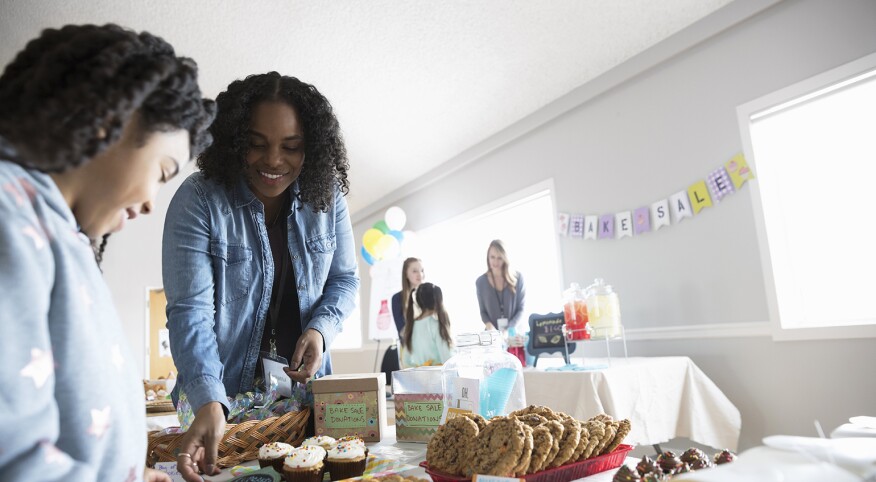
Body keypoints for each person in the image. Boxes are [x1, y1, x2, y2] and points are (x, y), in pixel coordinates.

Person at [0, 24, 214, 481]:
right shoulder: (9, 212)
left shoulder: (58, 231)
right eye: (162, 170)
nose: (152, 202)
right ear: (109, 119)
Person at [162, 72, 359, 480]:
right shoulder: (198, 200)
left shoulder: (328, 198)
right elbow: (190, 313)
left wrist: (321, 330)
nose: (273, 160)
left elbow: (345, 280)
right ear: (233, 142)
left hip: (302, 402)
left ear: (312, 149)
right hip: (216, 399)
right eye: (255, 144)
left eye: (292, 147)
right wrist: (208, 400)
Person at [475, 240, 527, 332]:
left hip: (515, 334)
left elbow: (521, 309)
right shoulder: (480, 282)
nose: (495, 262)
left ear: (505, 258)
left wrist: (509, 329)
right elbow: (483, 312)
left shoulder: (518, 278)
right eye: (492, 257)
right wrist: (491, 328)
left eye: (499, 258)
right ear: (488, 257)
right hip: (492, 336)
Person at [400, 283, 454, 367]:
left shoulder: (410, 326)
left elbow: (405, 361)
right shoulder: (436, 325)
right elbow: (447, 360)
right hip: (438, 377)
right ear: (437, 301)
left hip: (420, 378)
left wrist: (421, 370)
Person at [391, 257, 425, 336]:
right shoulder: (397, 298)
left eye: (422, 270)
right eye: (414, 271)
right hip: (409, 346)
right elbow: (402, 331)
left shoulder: (429, 296)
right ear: (406, 274)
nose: (420, 274)